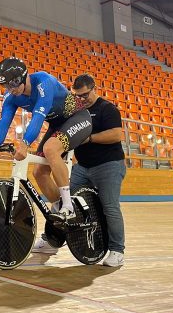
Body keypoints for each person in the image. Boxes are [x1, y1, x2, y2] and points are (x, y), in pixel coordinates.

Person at [32, 74, 127, 267]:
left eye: (85, 95)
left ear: (95, 88)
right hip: (82, 167)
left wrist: (89, 138)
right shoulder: (73, 111)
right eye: (78, 95)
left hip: (108, 165)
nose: (82, 99)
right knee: (61, 200)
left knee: (110, 206)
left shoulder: (107, 108)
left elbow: (117, 134)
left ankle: (117, 250)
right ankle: (52, 240)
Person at [0, 57, 91, 220]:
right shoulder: (11, 96)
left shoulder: (44, 82)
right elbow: (4, 122)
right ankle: (59, 212)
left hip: (78, 118)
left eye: (14, 83)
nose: (11, 89)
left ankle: (69, 206)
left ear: (23, 76)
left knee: (50, 148)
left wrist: (25, 143)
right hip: (57, 124)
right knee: (39, 172)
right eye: (6, 85)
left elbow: (38, 116)